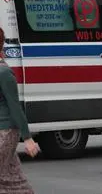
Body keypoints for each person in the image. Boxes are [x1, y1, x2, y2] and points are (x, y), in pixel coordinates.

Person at [0, 27, 39, 193]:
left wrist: (28, 138)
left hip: (6, 132)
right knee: (13, 180)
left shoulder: (4, 73)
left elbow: (14, 106)